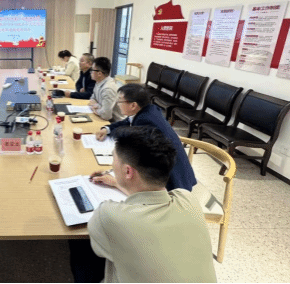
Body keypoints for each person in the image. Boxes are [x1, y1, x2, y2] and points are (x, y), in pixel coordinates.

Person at [87, 126, 216, 283]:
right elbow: (152, 194)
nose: (112, 165)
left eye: (113, 158)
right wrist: (116, 183)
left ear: (128, 171)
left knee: (83, 255)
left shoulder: (108, 216)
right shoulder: (188, 199)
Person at [95, 83, 196, 191]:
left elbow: (140, 157)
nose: (117, 104)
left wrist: (116, 180)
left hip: (172, 182)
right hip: (181, 173)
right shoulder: (149, 110)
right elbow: (127, 121)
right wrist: (107, 129)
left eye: (120, 101)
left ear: (133, 105)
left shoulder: (145, 121)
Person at [89, 57, 120, 122]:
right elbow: (92, 98)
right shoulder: (99, 82)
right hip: (102, 117)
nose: (90, 72)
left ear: (99, 73)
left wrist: (96, 108)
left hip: (114, 122)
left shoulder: (108, 89)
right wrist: (99, 107)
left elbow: (106, 115)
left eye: (92, 70)